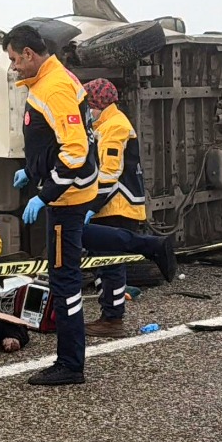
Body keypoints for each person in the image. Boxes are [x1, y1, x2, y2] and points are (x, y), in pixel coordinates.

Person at [3, 24, 99, 386]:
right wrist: (32, 171)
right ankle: (151, 247)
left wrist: (45, 195)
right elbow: (53, 142)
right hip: (67, 193)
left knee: (64, 282)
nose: (13, 66)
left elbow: (75, 151)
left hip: (67, 199)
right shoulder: (49, 80)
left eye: (14, 59)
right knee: (67, 268)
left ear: (29, 54)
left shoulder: (54, 86)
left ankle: (70, 364)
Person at [78, 78, 178, 338]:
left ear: (97, 104)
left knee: (110, 264)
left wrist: (89, 205)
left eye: (88, 106)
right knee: (104, 263)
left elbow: (110, 173)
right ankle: (110, 314)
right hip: (112, 205)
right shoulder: (104, 124)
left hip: (116, 205)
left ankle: (112, 320)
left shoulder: (114, 126)